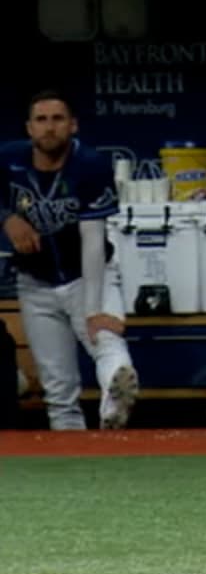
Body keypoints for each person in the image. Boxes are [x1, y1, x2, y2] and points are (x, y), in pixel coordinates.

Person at [2, 90, 142, 430]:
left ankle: (115, 401)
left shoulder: (90, 165)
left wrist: (93, 310)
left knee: (105, 338)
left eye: (58, 119)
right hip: (36, 283)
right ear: (29, 128)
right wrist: (7, 217)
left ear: (73, 125)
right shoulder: (9, 160)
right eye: (41, 120)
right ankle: (71, 454)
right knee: (58, 386)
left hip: (89, 275)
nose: (49, 128)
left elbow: (93, 239)